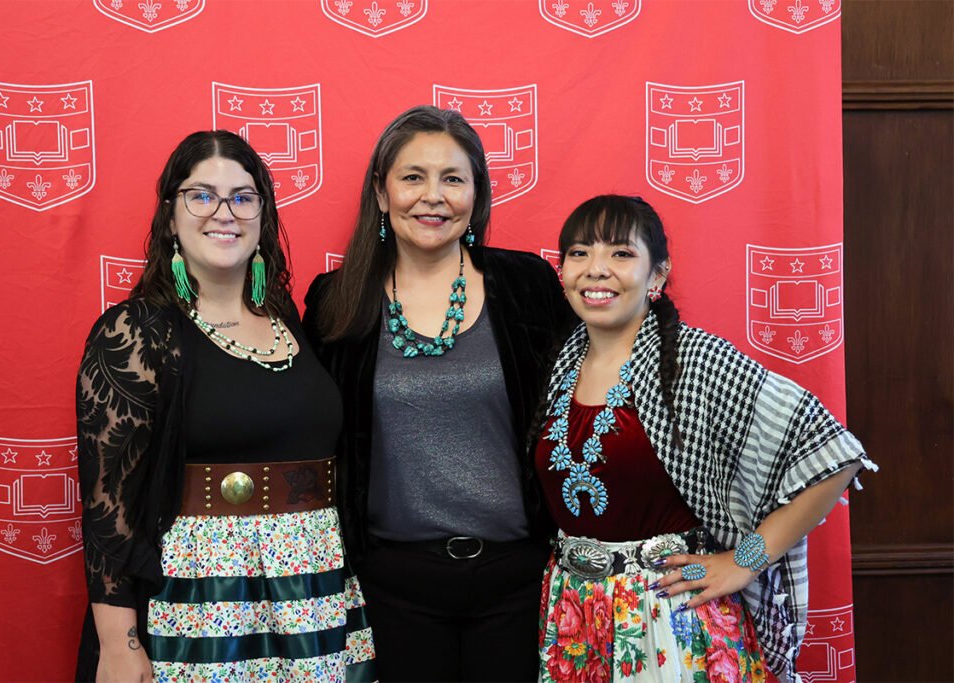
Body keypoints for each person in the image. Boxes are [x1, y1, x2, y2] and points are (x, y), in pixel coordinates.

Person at [534, 195, 875, 683]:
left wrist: (743, 561)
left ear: (657, 275)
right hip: (575, 614)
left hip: (672, 616)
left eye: (622, 254)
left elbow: (835, 456)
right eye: (579, 252)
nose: (596, 269)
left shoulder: (695, 362)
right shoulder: (559, 365)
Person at [74, 130, 375, 682]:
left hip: (312, 592)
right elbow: (107, 508)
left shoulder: (293, 322)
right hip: (197, 603)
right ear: (170, 216)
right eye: (201, 194)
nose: (224, 213)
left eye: (243, 196)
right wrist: (119, 644)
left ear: (262, 215)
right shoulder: (137, 332)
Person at [303, 105, 575, 681]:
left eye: (453, 178)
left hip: (521, 579)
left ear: (476, 195)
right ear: (381, 193)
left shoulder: (528, 286)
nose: (433, 196)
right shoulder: (334, 301)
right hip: (392, 584)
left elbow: (598, 404)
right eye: (412, 177)